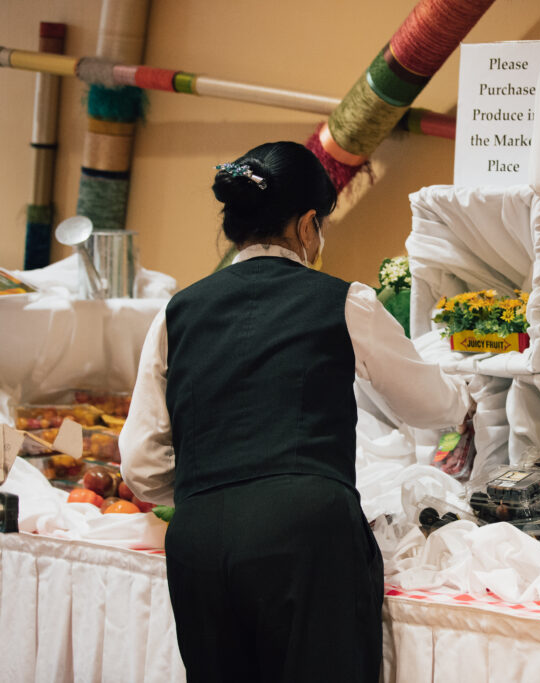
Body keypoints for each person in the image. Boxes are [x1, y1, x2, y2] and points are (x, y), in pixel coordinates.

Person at [119, 141, 472, 682]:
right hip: (306, 539)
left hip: (200, 543)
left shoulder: (175, 315)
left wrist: (214, 485)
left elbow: (141, 466)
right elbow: (428, 403)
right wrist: (465, 398)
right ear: (308, 226)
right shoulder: (345, 301)